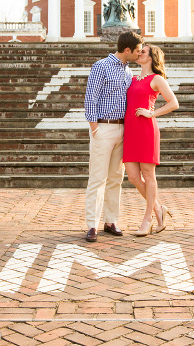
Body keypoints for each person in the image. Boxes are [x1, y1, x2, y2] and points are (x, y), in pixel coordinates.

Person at [83, 31, 144, 242]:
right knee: (97, 178)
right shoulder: (101, 66)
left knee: (116, 178)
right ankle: (92, 224)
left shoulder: (128, 71)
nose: (139, 54)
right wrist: (94, 128)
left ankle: (111, 221)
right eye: (137, 51)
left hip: (122, 130)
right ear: (127, 50)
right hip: (103, 128)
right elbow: (90, 98)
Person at [123, 45, 179, 236]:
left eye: (143, 52)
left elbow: (174, 103)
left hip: (147, 130)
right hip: (130, 131)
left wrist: (152, 113)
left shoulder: (156, 79)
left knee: (148, 175)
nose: (139, 53)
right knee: (132, 176)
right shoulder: (132, 78)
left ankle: (147, 218)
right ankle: (158, 209)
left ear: (151, 58)